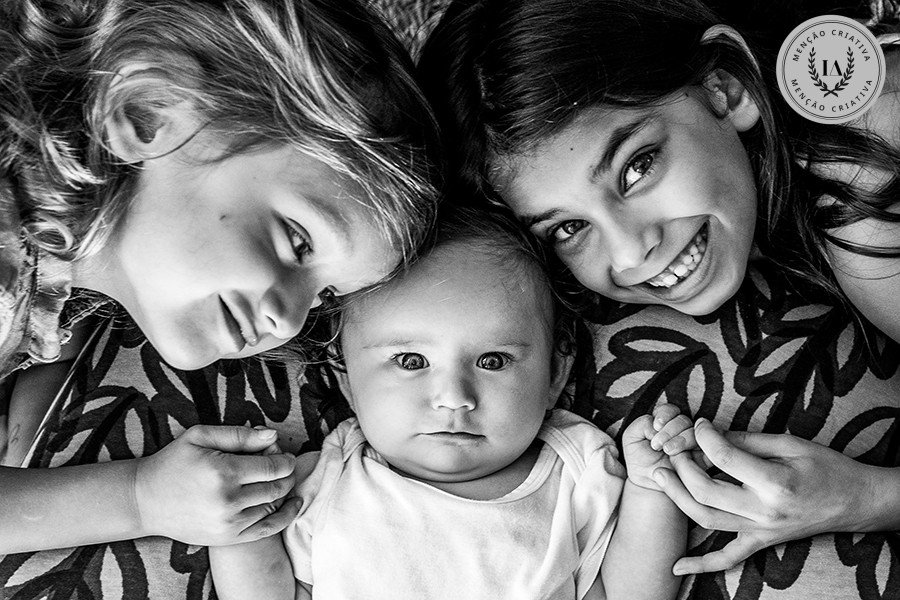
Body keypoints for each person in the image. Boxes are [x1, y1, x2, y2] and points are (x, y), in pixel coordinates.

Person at [416, 0, 900, 575]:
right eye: (569, 228)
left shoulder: (859, 171)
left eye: (637, 167)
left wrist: (866, 498)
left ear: (726, 87)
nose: (629, 252)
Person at [0, 0, 439, 553]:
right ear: (149, 110)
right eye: (298, 242)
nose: (289, 322)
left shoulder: (69, 259)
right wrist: (138, 498)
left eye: (325, 295)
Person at [209, 205, 696, 600]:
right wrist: (239, 520)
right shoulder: (325, 482)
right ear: (347, 379)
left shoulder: (577, 474)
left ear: (554, 374)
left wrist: (653, 490)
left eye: (493, 361)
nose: (454, 398)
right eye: (411, 361)